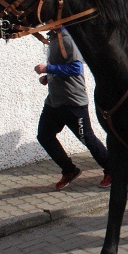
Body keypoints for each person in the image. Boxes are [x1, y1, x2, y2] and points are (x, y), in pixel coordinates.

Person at [34, 29, 111, 190]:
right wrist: (48, 78)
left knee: (87, 139)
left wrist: (48, 69)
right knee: (44, 136)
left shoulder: (68, 38)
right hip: (54, 102)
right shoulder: (54, 38)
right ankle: (69, 170)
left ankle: (112, 170)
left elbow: (76, 68)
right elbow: (61, 65)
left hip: (73, 102)